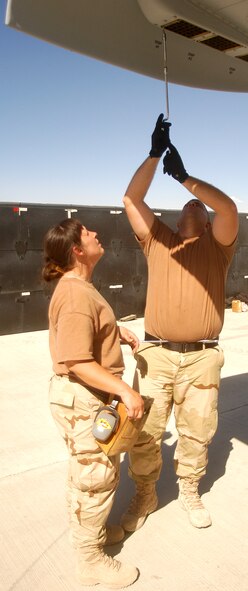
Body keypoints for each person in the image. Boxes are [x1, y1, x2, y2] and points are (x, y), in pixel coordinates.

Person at [121, 115, 239, 532]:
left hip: (202, 358)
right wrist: (155, 154)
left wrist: (186, 179)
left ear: (207, 224)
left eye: (199, 206)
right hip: (157, 354)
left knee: (197, 431)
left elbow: (227, 206)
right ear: (176, 219)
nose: (195, 204)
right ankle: (145, 493)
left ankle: (189, 488)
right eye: (189, 202)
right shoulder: (160, 240)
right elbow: (132, 200)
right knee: (146, 431)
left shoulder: (218, 248)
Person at [42, 218, 144, 588]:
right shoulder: (74, 293)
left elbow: (84, 333)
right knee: (94, 481)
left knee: (88, 476)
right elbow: (77, 360)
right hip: (83, 397)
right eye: (87, 233)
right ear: (77, 250)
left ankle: (93, 537)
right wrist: (125, 391)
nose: (96, 234)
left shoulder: (78, 288)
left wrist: (114, 330)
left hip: (82, 397)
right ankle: (90, 561)